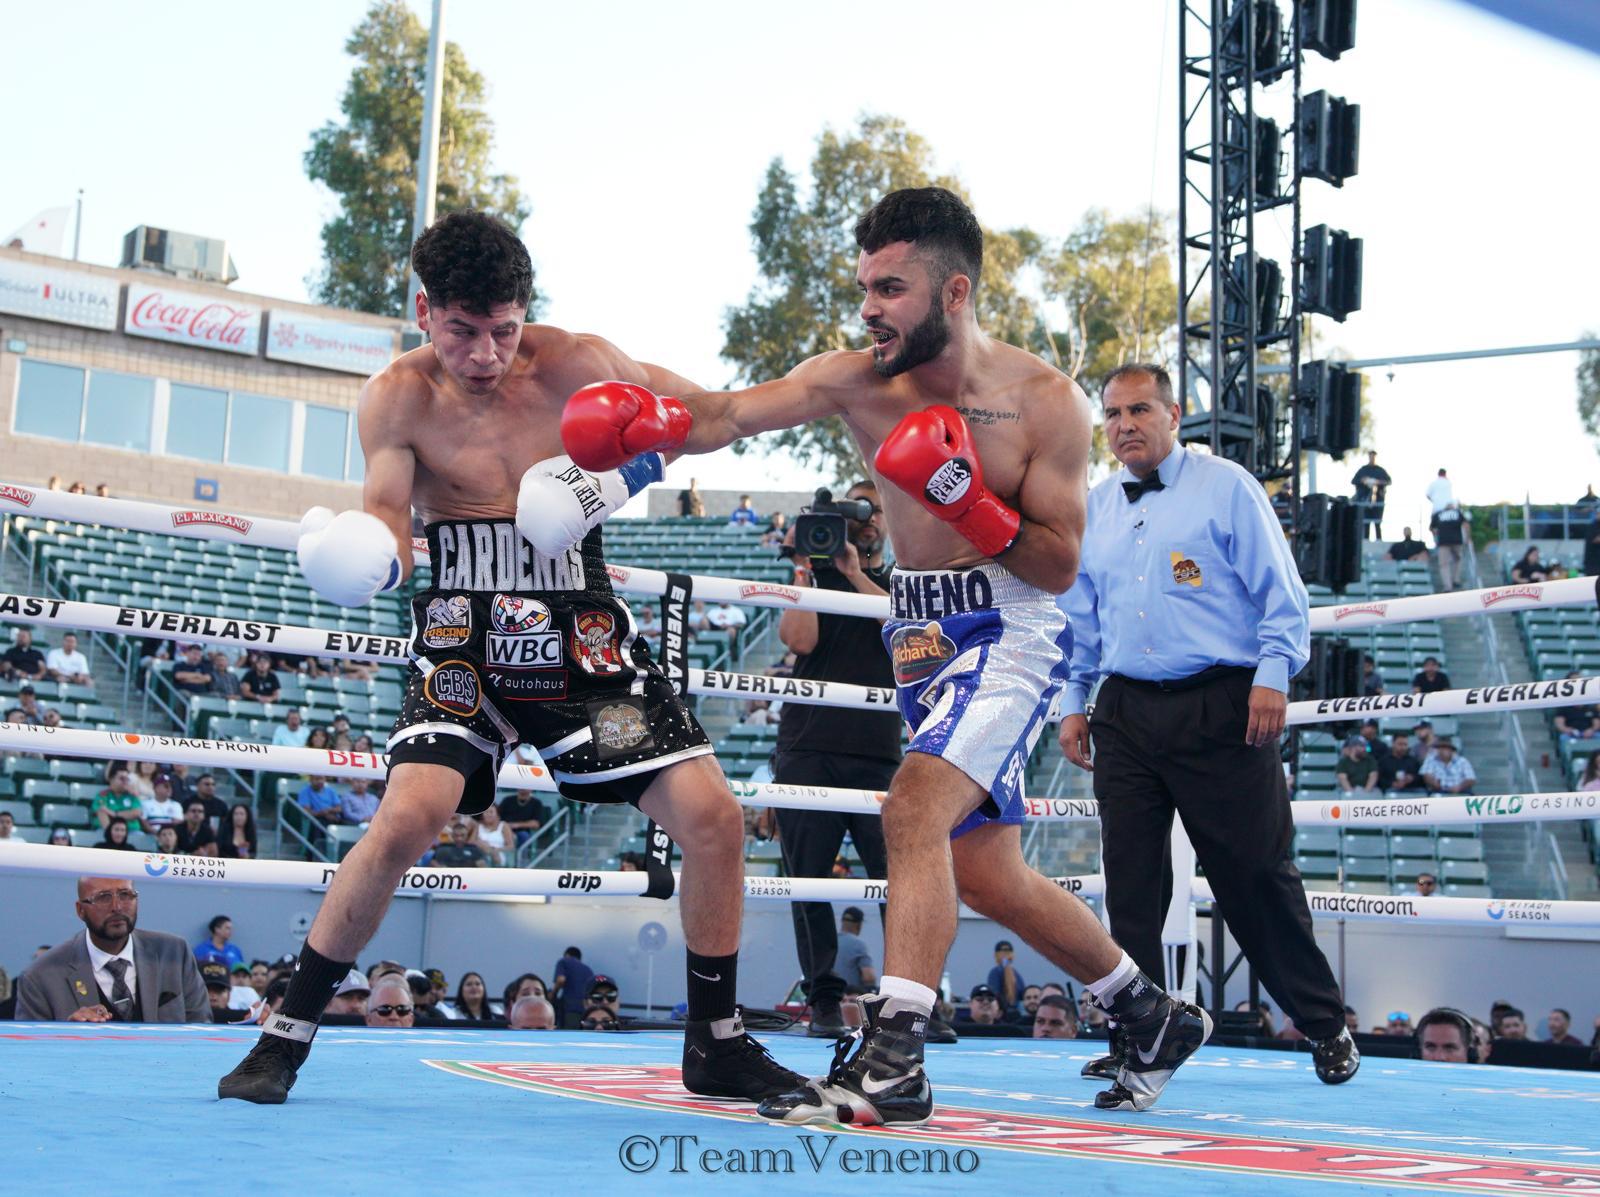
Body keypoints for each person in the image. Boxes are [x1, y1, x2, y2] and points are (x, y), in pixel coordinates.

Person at [562, 187, 1208, 1121]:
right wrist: (632, 411)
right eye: (864, 285)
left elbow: (1063, 563)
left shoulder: (1043, 403)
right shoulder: (854, 378)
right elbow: (727, 414)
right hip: (916, 632)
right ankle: (1146, 1010)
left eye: (891, 286)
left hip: (1010, 628)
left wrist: (964, 497)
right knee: (985, 870)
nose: (869, 305)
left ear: (952, 292)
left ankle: (896, 1055)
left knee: (913, 805)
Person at [220, 212, 797, 1107]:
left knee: (715, 816)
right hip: (462, 633)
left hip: (581, 632)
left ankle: (716, 1043)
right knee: (410, 816)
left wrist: (834, 387)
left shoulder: (581, 363)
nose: (485, 352)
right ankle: (284, 1037)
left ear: (527, 311)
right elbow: (389, 516)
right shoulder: (395, 398)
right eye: (462, 329)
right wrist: (365, 552)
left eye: (503, 328)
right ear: (424, 310)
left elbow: (712, 416)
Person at [1057, 362, 1358, 1090]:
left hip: (1222, 702)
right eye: (1113, 415)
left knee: (1253, 871)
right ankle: (1141, 1037)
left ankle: (1323, 1022)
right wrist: (1074, 698)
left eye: (1138, 409)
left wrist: (1272, 674)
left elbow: (1281, 593)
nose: (1125, 424)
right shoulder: (1094, 504)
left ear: (1174, 413)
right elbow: (1082, 618)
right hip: (1123, 708)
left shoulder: (1226, 485)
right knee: (1128, 882)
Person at [771, 480, 897, 1037]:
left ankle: (906, 1003)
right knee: (809, 880)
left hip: (878, 753)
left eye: (873, 508)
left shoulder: (902, 580)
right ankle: (824, 1000)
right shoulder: (810, 575)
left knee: (901, 880)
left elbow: (897, 626)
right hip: (807, 748)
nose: (864, 519)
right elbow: (798, 641)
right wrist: (806, 566)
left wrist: (850, 571)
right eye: (853, 509)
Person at [16, 877, 210, 1022]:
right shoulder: (40, 976)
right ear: (80, 910)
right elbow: (28, 1060)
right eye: (103, 898)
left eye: (125, 895)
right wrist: (66, 1036)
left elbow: (202, 1028)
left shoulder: (174, 953)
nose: (117, 907)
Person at [92, 768, 147, 834]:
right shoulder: (103, 795)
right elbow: (102, 812)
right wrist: (112, 832)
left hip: (131, 830)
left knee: (140, 835)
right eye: (122, 778)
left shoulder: (132, 795)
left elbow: (136, 813)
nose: (125, 781)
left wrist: (114, 814)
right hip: (107, 830)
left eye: (127, 779)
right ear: (111, 779)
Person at [1350, 451, 1391, 540]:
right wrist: (1363, 481)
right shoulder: (1363, 470)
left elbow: (1388, 481)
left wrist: (1377, 482)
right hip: (1365, 501)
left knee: (1377, 523)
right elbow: (1354, 481)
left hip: (1378, 501)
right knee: (1366, 523)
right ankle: (1366, 540)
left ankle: (1379, 540)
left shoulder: (1380, 470)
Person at [550, 946, 595, 1026]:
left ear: (567, 955)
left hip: (570, 1010)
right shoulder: (589, 970)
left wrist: (552, 994)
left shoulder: (564, 961)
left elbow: (561, 980)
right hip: (586, 1013)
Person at [1430, 504, 1468, 591]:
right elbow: (1465, 524)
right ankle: (1455, 580)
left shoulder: (1438, 514)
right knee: (1457, 560)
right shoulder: (1457, 513)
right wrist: (1467, 538)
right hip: (1456, 541)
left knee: (1443, 564)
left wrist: (1435, 538)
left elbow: (1433, 528)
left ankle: (1448, 585)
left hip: (1443, 542)